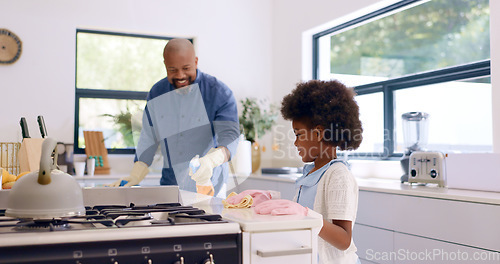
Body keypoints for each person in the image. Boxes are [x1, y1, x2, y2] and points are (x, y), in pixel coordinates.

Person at [109, 38, 239, 198]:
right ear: (165, 65)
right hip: (170, 187)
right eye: (172, 70)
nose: (180, 76)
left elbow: (230, 137)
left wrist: (211, 161)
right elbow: (148, 138)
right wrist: (136, 175)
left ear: (196, 62)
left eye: (186, 68)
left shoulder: (219, 92)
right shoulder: (157, 93)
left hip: (209, 187)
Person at [280, 79, 363, 264]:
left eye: (298, 134)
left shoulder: (337, 175)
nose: (295, 143)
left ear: (318, 134)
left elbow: (343, 240)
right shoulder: (312, 173)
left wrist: (303, 213)